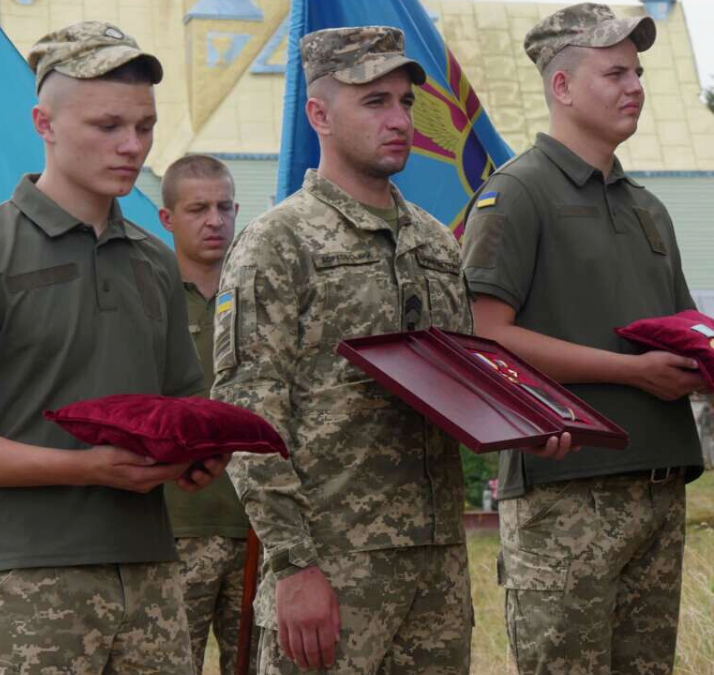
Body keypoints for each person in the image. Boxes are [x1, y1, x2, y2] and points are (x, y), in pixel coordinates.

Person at [211, 26, 572, 674]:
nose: (400, 119)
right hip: (332, 567)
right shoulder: (278, 243)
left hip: (435, 566)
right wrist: (294, 566)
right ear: (318, 113)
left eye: (405, 102)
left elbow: (465, 379)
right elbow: (250, 420)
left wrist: (526, 422)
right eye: (374, 102)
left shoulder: (434, 241)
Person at [0, 21, 228, 673]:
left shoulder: (155, 261)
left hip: (152, 579)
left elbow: (180, 405)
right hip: (26, 586)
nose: (132, 146)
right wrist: (82, 466)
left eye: (145, 126)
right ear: (45, 122)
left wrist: (199, 451)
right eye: (107, 126)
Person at [459, 4, 705, 673]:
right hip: (566, 493)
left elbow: (682, 332)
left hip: (659, 488)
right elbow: (485, 334)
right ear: (562, 86)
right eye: (615, 72)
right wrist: (632, 373)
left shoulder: (647, 208)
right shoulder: (516, 195)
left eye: (639, 72)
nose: (636, 86)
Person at [159, 154, 255, 675]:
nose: (214, 220)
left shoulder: (260, 295)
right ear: (167, 218)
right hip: (176, 527)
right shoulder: (147, 299)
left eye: (223, 207)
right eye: (197, 208)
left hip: (257, 526)